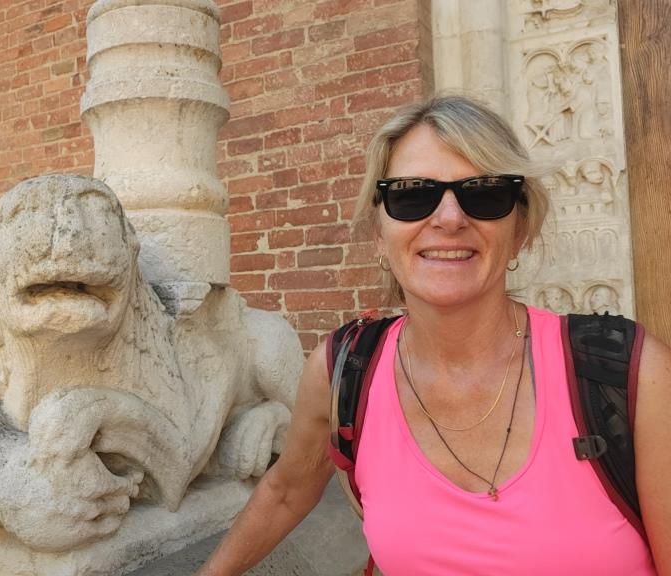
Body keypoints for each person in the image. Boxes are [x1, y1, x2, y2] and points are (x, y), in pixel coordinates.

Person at [198, 95, 670, 575]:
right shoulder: (346, 370)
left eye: (485, 193)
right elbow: (286, 491)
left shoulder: (631, 375)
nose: (449, 218)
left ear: (520, 228)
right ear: (379, 232)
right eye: (411, 194)